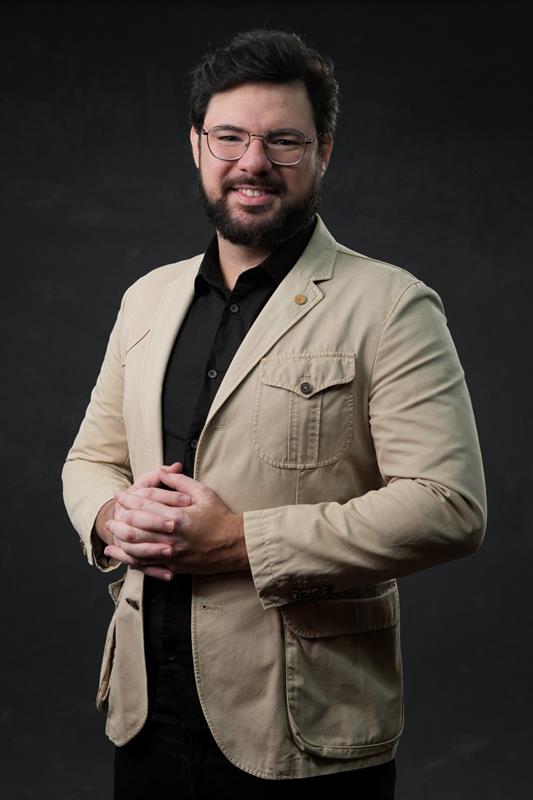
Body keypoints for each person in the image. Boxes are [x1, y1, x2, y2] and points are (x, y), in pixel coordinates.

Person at [61, 29, 486, 800]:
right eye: (229, 137)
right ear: (197, 145)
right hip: (145, 710)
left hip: (304, 721)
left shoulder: (391, 305)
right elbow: (91, 457)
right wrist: (110, 517)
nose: (252, 161)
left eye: (282, 141)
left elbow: (448, 507)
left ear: (323, 152)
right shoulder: (146, 298)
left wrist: (240, 541)